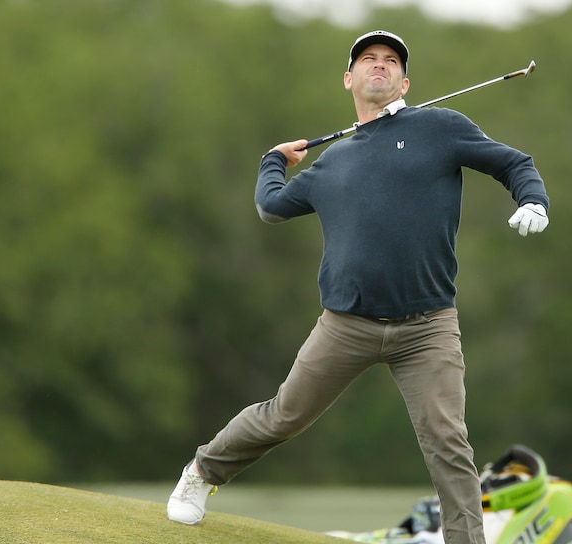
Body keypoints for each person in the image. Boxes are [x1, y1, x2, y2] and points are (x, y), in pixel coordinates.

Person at [166, 30, 550, 544]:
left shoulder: (440, 127)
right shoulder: (333, 161)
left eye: (390, 61)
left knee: (448, 442)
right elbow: (271, 208)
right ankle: (202, 473)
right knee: (285, 416)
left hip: (427, 325)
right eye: (368, 59)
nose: (379, 66)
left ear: (405, 81)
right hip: (346, 324)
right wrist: (272, 160)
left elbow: (514, 163)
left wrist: (533, 201)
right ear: (349, 78)